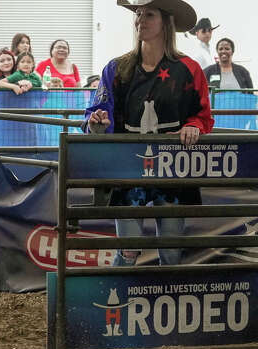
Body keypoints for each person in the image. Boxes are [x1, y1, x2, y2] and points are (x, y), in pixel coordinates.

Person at [85, 0, 213, 267]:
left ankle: (169, 305)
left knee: (171, 251)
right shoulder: (116, 69)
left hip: (172, 169)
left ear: (166, 22)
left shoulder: (189, 69)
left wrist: (194, 125)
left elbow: (202, 114)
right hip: (127, 169)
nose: (140, 19)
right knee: (128, 250)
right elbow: (97, 112)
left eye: (149, 14)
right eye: (139, 14)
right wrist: (97, 122)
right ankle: (119, 303)